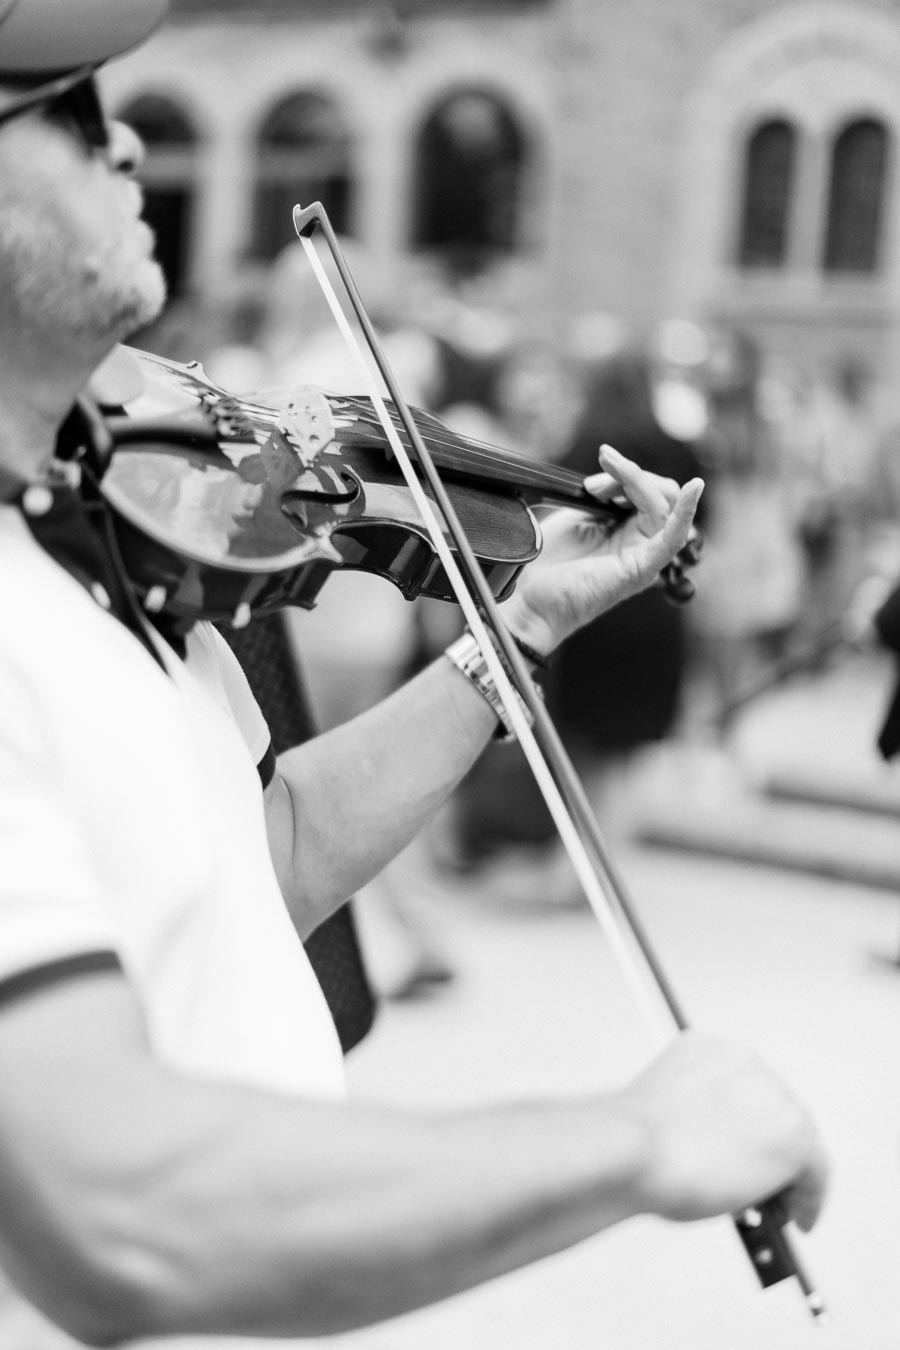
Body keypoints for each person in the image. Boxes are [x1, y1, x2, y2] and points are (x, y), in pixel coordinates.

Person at [0, 2, 828, 1347]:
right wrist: (636, 1138)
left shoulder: (107, 551)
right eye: (71, 115)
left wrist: (523, 626)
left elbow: (263, 852)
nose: (133, 148)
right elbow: (119, 1209)